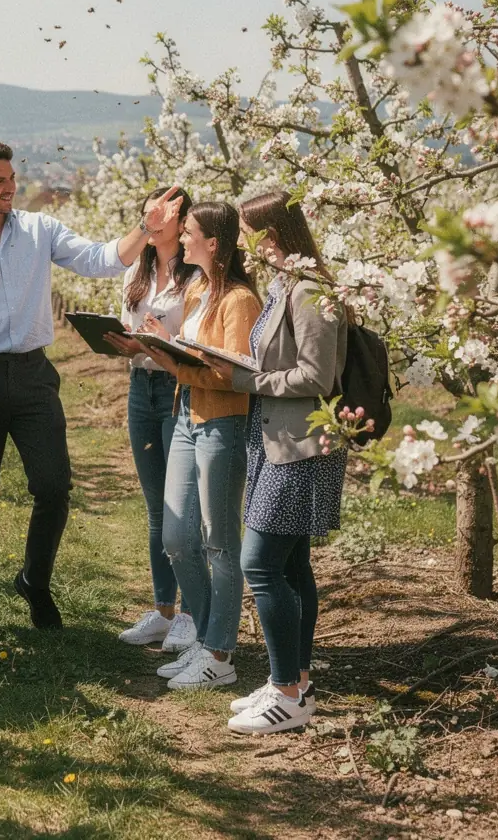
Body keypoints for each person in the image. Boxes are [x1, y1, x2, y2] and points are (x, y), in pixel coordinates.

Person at [0, 140, 184, 645]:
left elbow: (102, 260)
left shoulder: (40, 230)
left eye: (12, 177)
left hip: (34, 375)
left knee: (53, 486)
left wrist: (148, 228)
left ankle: (34, 580)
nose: (10, 187)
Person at [200, 192, 347, 735]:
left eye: (248, 232)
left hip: (303, 446)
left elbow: (317, 377)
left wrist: (245, 379)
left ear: (272, 234)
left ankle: (287, 695)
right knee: (290, 567)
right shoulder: (284, 286)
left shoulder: (311, 292)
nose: (243, 243)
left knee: (259, 564)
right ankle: (295, 681)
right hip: (272, 440)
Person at [140, 201, 260, 691]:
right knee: (176, 538)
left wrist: (172, 363)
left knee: (219, 542)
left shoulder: (238, 301)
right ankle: (207, 638)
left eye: (188, 232)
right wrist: (161, 342)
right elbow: (196, 353)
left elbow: (238, 376)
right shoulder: (197, 291)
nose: (181, 239)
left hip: (221, 422)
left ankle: (219, 654)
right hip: (187, 415)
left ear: (213, 243)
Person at [102, 186, 200, 654]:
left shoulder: (197, 274)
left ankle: (192, 613)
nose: (156, 219)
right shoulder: (136, 274)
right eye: (149, 212)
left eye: (166, 211)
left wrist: (161, 341)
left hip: (179, 389)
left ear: (184, 220)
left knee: (184, 508)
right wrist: (126, 343)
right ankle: (163, 609)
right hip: (140, 388)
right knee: (156, 508)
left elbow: (201, 341)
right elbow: (132, 330)